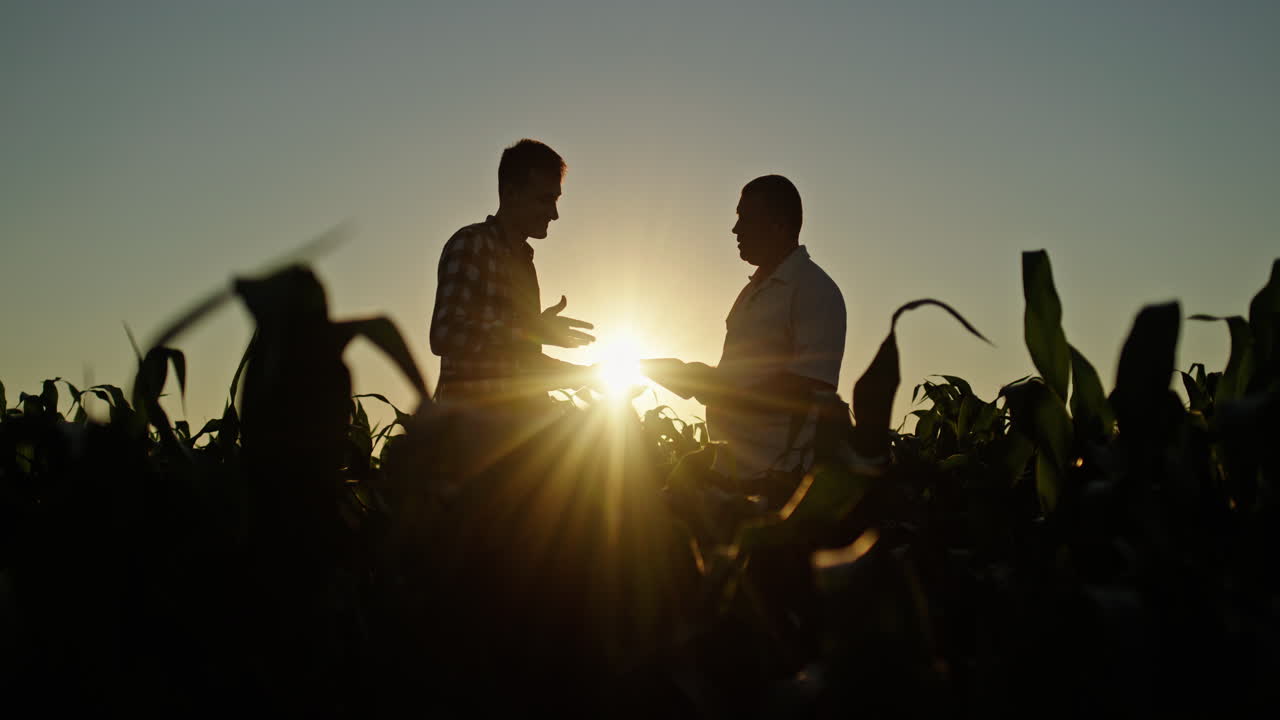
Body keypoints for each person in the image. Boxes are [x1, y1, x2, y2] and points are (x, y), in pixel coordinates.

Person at [644, 174, 847, 513]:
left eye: (745, 218)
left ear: (779, 225)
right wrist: (691, 378)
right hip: (729, 472)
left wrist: (708, 387)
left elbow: (810, 387)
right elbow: (738, 380)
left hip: (778, 480)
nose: (735, 230)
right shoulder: (752, 292)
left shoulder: (814, 289)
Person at [429, 138, 598, 413]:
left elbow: (521, 360)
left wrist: (585, 375)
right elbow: (445, 333)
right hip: (468, 431)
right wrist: (533, 330)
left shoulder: (524, 265)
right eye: (545, 200)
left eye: (555, 200)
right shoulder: (471, 244)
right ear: (510, 193)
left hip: (513, 430)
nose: (554, 214)